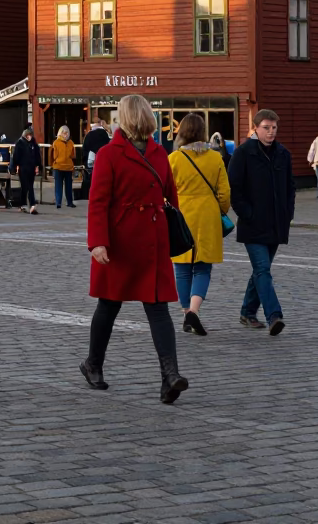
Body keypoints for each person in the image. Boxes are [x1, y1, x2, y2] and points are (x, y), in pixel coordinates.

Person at [80, 94, 188, 404]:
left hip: (151, 239)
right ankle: (93, 365)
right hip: (120, 241)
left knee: (157, 307)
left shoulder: (158, 152)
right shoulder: (108, 154)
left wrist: (171, 234)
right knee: (109, 305)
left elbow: (171, 197)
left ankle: (170, 377)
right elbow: (98, 201)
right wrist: (97, 241)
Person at [228, 109, 294, 336]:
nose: (271, 132)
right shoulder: (244, 153)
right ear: (256, 128)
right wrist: (247, 213)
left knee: (260, 270)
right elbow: (234, 188)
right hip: (253, 224)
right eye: (266, 127)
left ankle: (247, 311)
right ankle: (274, 315)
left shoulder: (283, 154)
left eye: (274, 127)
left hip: (276, 224)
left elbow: (290, 188)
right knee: (263, 269)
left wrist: (288, 213)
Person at [169, 113, 231, 336]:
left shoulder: (174, 159)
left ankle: (186, 312)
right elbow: (224, 193)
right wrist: (220, 212)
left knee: (182, 269)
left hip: (182, 216)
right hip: (207, 216)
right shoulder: (215, 158)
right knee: (203, 267)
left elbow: (166, 192)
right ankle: (194, 310)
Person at [8, 126, 42, 213]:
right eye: (28, 135)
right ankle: (28, 204)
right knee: (25, 187)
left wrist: (38, 166)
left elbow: (37, 156)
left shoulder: (34, 143)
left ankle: (28, 205)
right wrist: (13, 168)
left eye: (30, 135)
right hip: (23, 168)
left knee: (29, 186)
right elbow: (15, 157)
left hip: (31, 168)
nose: (29, 136)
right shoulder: (19, 143)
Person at [82, 117, 112, 198]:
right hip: (103, 162)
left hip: (91, 162)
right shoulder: (105, 135)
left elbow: (85, 149)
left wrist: (84, 162)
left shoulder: (89, 135)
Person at [51, 125, 76, 208]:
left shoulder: (71, 143)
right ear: (60, 133)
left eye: (66, 133)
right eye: (64, 133)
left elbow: (73, 155)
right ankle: (58, 202)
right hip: (58, 167)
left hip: (68, 167)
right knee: (59, 186)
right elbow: (53, 155)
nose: (65, 134)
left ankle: (69, 202)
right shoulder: (56, 143)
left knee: (68, 186)